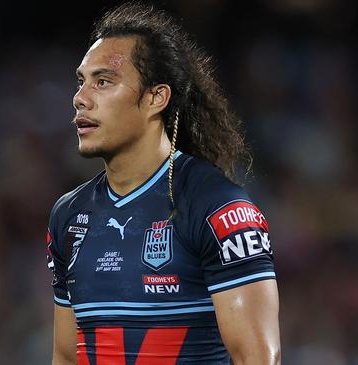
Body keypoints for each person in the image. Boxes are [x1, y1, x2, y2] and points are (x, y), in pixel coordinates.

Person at [46, 2, 280, 364]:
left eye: (103, 82)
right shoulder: (69, 216)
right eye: (82, 81)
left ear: (157, 97)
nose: (81, 98)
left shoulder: (217, 208)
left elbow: (258, 358)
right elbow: (66, 356)